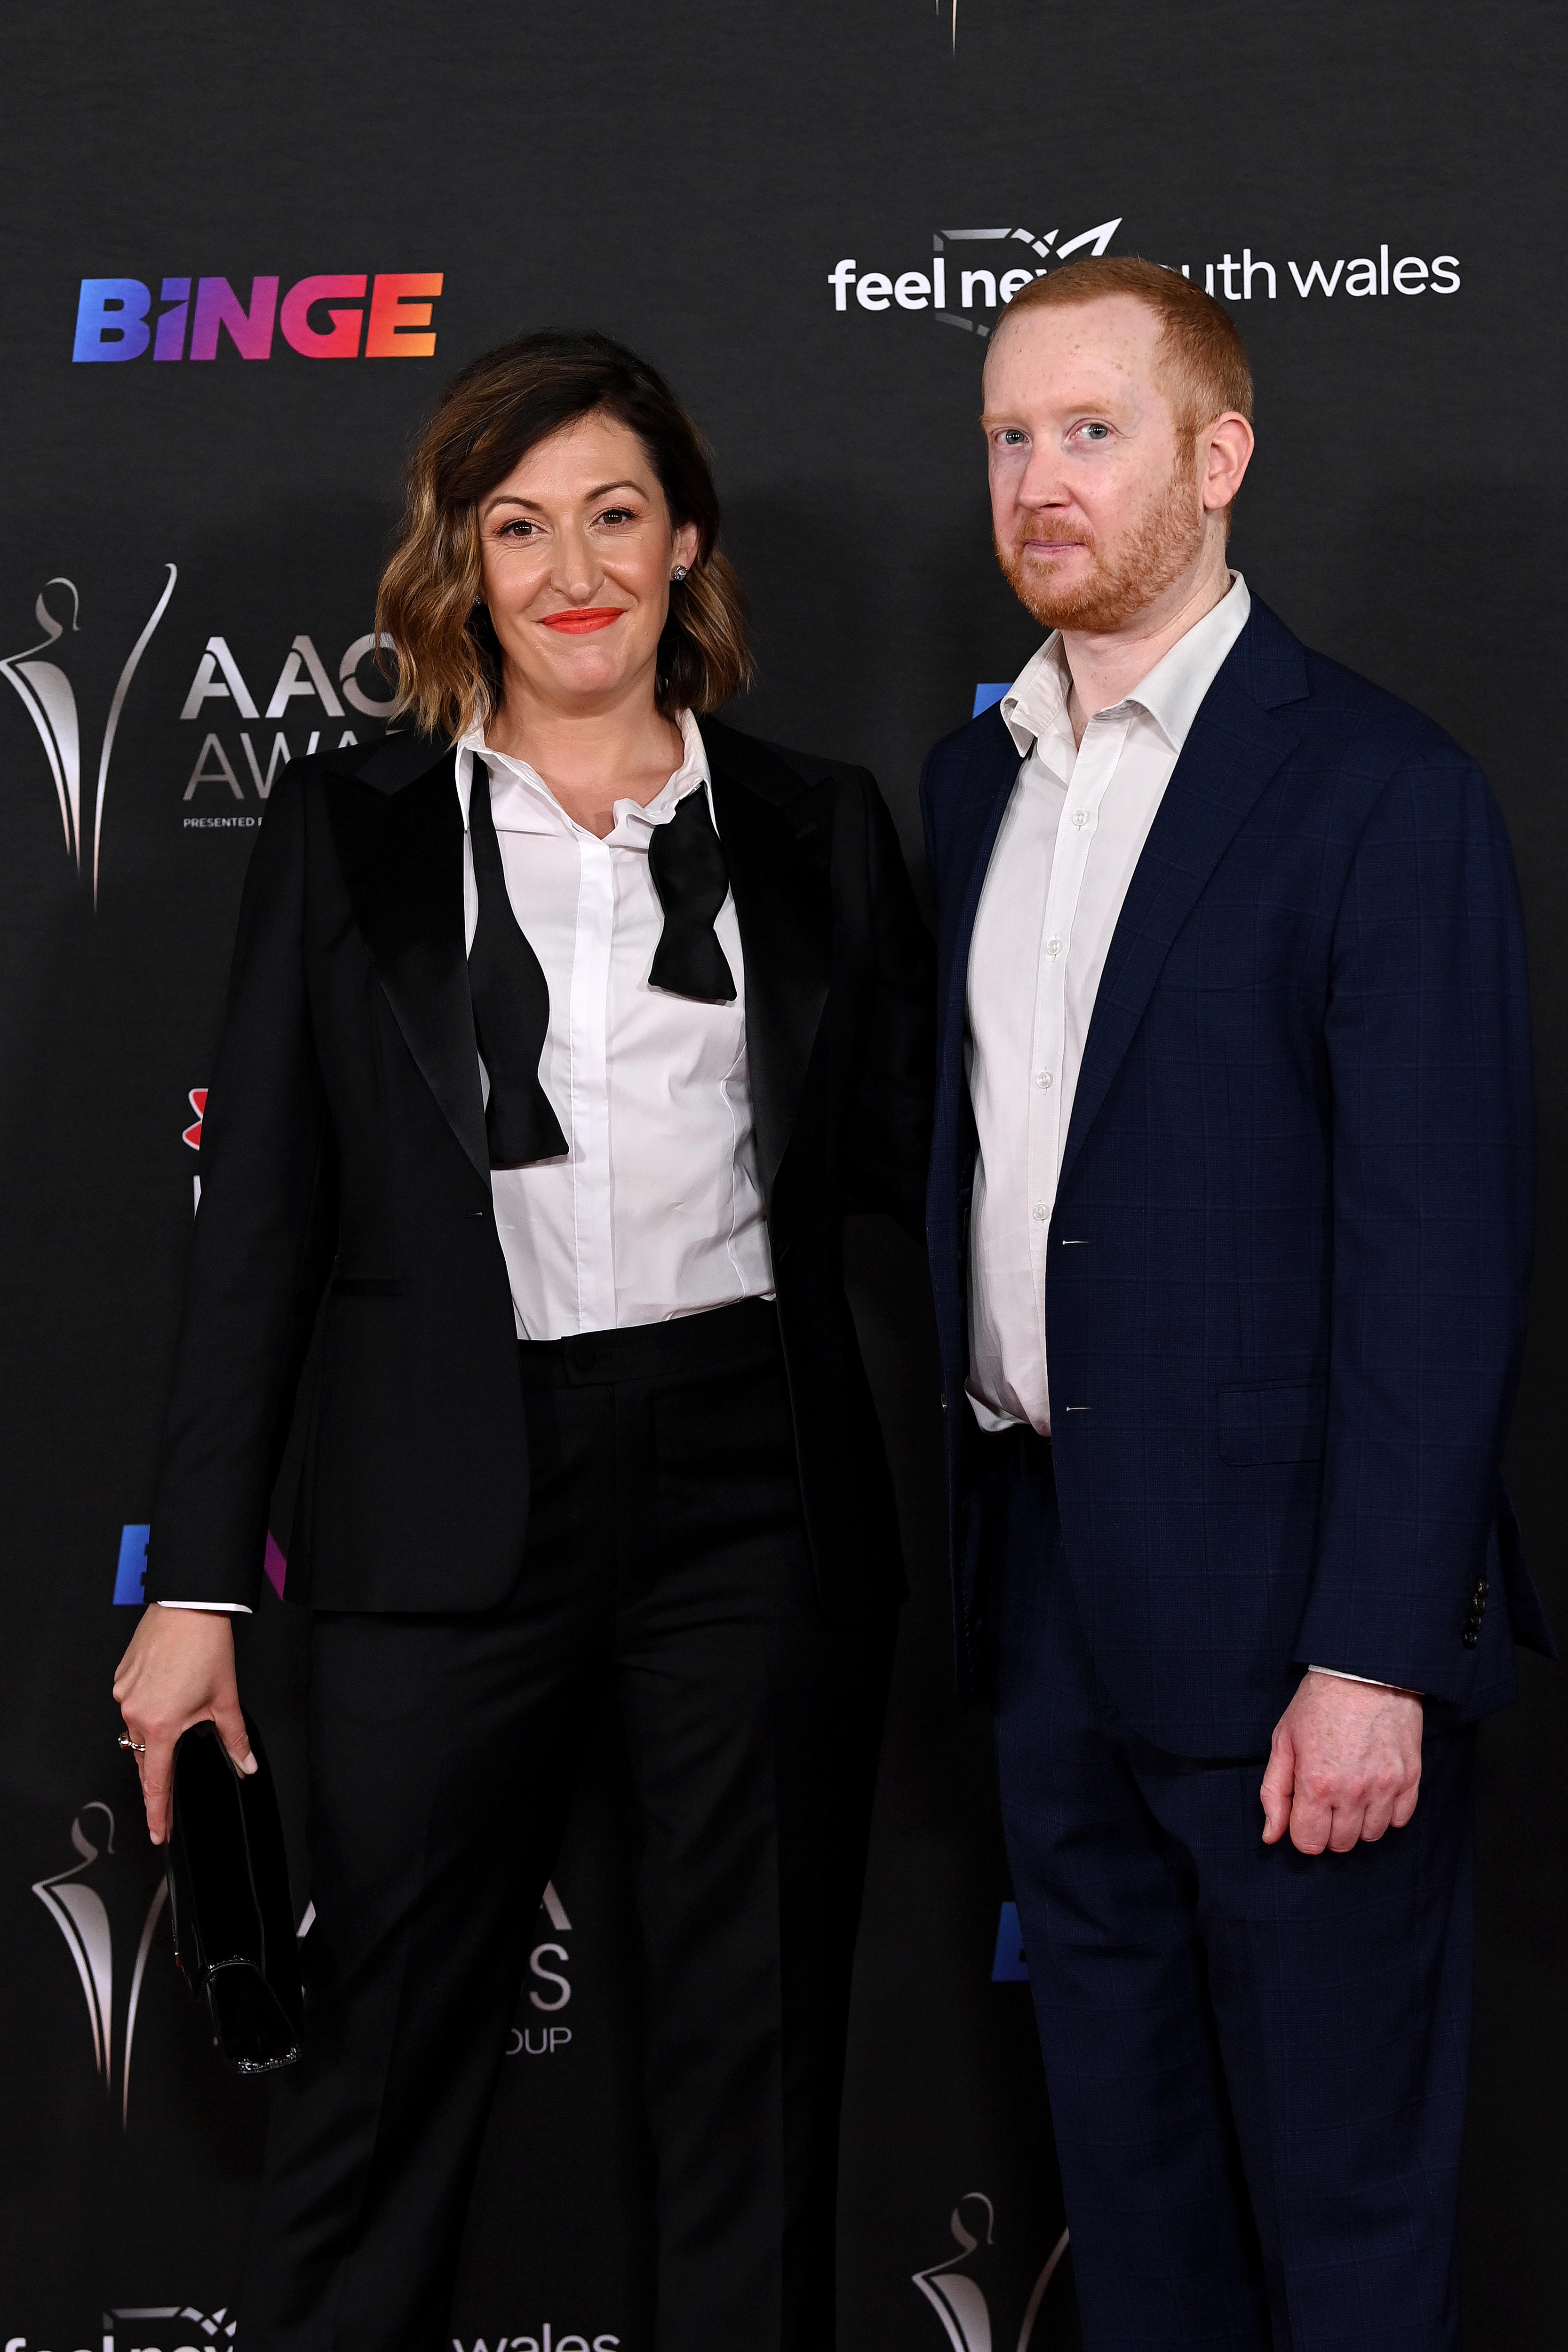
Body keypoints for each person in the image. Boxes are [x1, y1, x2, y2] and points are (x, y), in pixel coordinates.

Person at [113, 328, 933, 2352]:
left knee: (753, 2058)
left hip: (754, 1487)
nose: (574, 567)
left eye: (616, 514)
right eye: (521, 524)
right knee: (377, 2058)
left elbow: (932, 1176)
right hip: (438, 1493)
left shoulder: (822, 829)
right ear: (463, 563)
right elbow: (262, 1235)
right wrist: (197, 1580)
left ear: (687, 544)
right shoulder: (347, 832)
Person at [920, 257, 1551, 2349]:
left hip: (1300, 1639)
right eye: (1011, 434)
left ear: (1221, 454)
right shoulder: (973, 782)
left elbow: (1437, 1257)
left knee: (1346, 2220)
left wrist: (1378, 1643)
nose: (1040, 479)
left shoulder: (1383, 789)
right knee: (1138, 2208)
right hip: (1044, 1609)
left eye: (1091, 431)